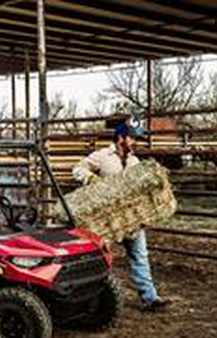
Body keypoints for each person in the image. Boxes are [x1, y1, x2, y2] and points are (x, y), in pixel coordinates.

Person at [72, 115, 168, 312]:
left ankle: (150, 298)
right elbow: (78, 168)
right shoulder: (102, 156)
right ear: (121, 137)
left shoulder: (135, 162)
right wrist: (90, 178)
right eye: (132, 138)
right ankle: (94, 297)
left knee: (140, 255)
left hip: (131, 218)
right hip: (107, 220)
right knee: (100, 257)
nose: (134, 143)